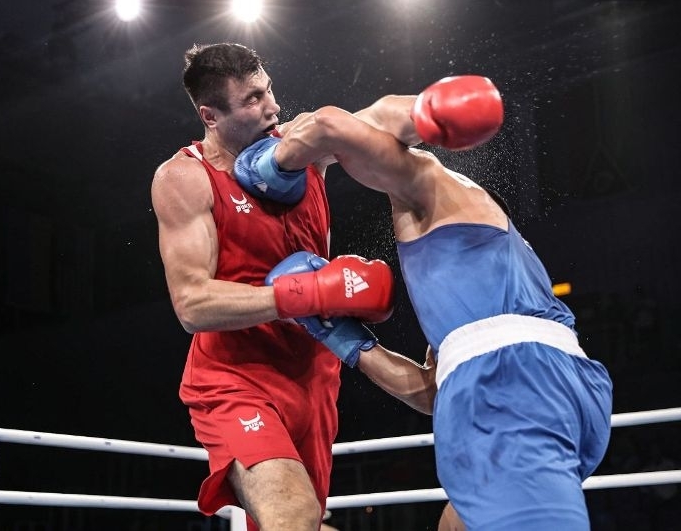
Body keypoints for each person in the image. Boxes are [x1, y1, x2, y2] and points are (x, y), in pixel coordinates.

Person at [234, 76, 614, 530]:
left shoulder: (433, 185)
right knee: (456, 523)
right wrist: (344, 338)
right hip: (533, 386)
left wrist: (273, 161)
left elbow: (331, 125)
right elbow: (433, 392)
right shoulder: (468, 286)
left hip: (513, 383)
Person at [150, 42, 437, 531]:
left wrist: (434, 112)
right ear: (210, 116)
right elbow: (192, 303)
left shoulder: (299, 146)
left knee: (302, 520)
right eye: (252, 100)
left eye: (268, 90)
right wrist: (307, 294)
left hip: (314, 377)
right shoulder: (185, 177)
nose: (273, 107)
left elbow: (374, 121)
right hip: (235, 378)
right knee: (293, 514)